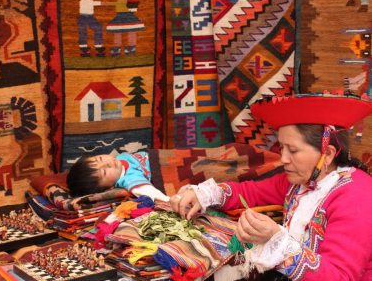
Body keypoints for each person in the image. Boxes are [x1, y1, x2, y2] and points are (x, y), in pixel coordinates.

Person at [170, 93, 372, 280]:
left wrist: (277, 241)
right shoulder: (301, 181)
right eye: (281, 147)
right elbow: (249, 192)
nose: (283, 158)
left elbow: (338, 276)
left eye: (293, 150)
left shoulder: (357, 196)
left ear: (327, 154)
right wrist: (204, 195)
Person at [67, 151, 169, 202]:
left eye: (100, 158)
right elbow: (149, 192)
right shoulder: (129, 178)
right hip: (166, 167)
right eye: (104, 172)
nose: (107, 163)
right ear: (109, 188)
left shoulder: (119, 158)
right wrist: (169, 201)